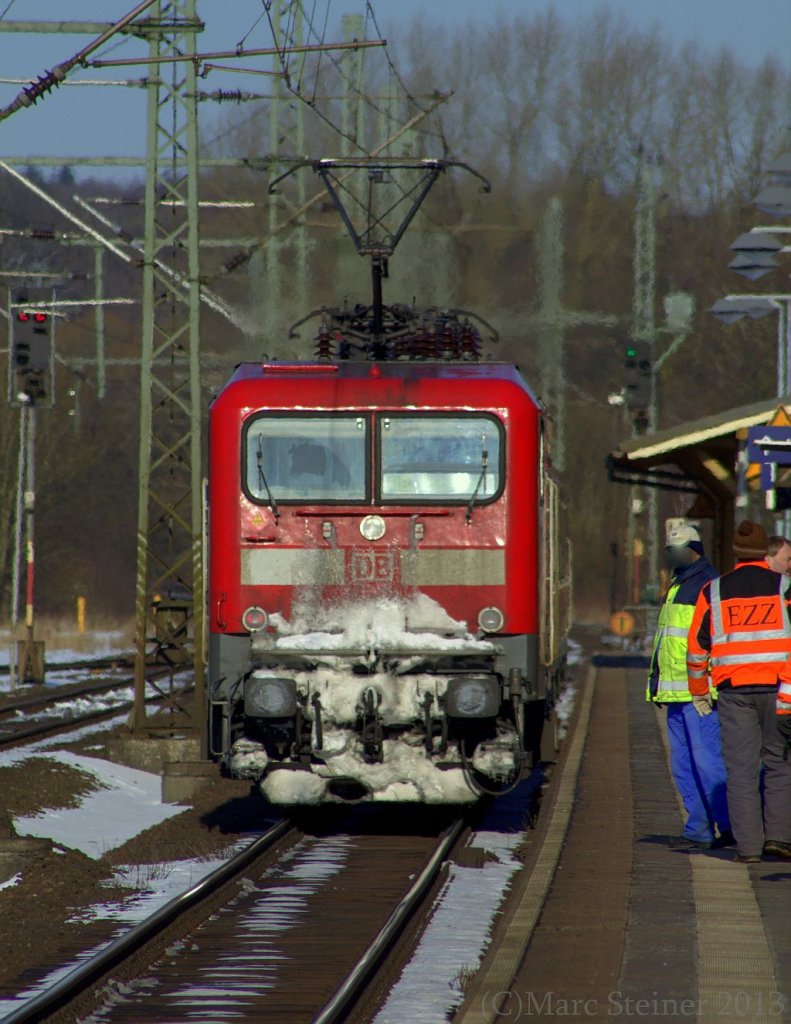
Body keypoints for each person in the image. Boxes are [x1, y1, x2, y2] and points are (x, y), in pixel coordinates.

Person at [687, 519, 791, 863]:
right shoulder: (784, 588)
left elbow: (696, 649)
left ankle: (747, 848)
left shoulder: (713, 591)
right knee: (779, 763)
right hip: (779, 690)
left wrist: (699, 689)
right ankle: (778, 838)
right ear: (765, 552)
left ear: (735, 552)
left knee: (741, 770)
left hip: (733, 692)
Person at [647, 518, 731, 850]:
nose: (674, 556)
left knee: (707, 760)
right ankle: (698, 827)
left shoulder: (707, 584)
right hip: (676, 690)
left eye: (679, 550)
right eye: (671, 550)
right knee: (683, 763)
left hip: (698, 692)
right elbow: (664, 642)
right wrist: (656, 683)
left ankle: (726, 825)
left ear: (694, 551)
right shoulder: (680, 584)